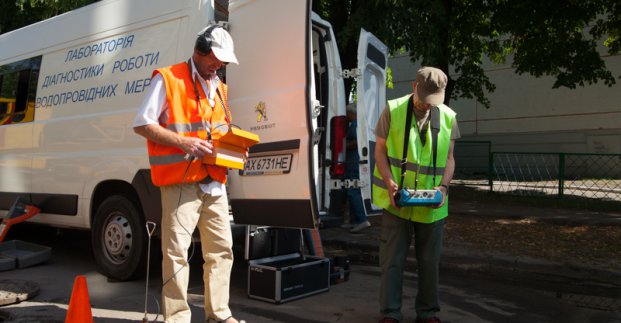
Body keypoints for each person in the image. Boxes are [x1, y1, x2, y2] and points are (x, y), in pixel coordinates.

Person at [133, 25, 244, 323]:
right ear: (199, 49)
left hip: (215, 184)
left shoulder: (219, 88)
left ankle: (219, 315)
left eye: (222, 61)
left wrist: (234, 151)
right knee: (176, 254)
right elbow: (143, 124)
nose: (218, 65)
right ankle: (177, 318)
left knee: (222, 251)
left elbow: (217, 133)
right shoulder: (168, 78)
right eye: (215, 59)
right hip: (181, 181)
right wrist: (184, 142)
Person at [373, 66, 460, 323]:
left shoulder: (448, 117)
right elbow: (379, 151)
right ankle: (390, 313)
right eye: (424, 98)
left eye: (434, 100)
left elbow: (450, 159)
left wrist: (443, 187)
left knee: (429, 263)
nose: (427, 105)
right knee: (392, 262)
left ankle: (428, 313)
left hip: (433, 205)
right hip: (396, 202)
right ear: (414, 87)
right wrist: (390, 183)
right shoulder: (393, 109)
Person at [341, 103, 371, 233]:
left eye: (347, 114)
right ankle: (354, 221)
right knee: (353, 189)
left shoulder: (355, 124)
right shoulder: (360, 123)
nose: (346, 116)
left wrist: (344, 146)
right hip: (355, 161)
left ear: (351, 113)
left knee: (353, 190)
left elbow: (358, 141)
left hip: (354, 161)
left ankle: (362, 219)